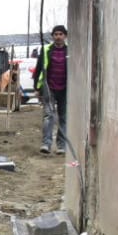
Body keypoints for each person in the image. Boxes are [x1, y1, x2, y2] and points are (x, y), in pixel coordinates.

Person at [31, 24, 69, 154]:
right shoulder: (46, 50)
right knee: (49, 116)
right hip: (49, 88)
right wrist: (37, 87)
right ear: (53, 36)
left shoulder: (70, 51)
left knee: (64, 117)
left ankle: (61, 146)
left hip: (65, 89)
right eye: (56, 34)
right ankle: (46, 144)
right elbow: (39, 68)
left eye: (60, 34)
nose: (58, 37)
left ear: (65, 36)